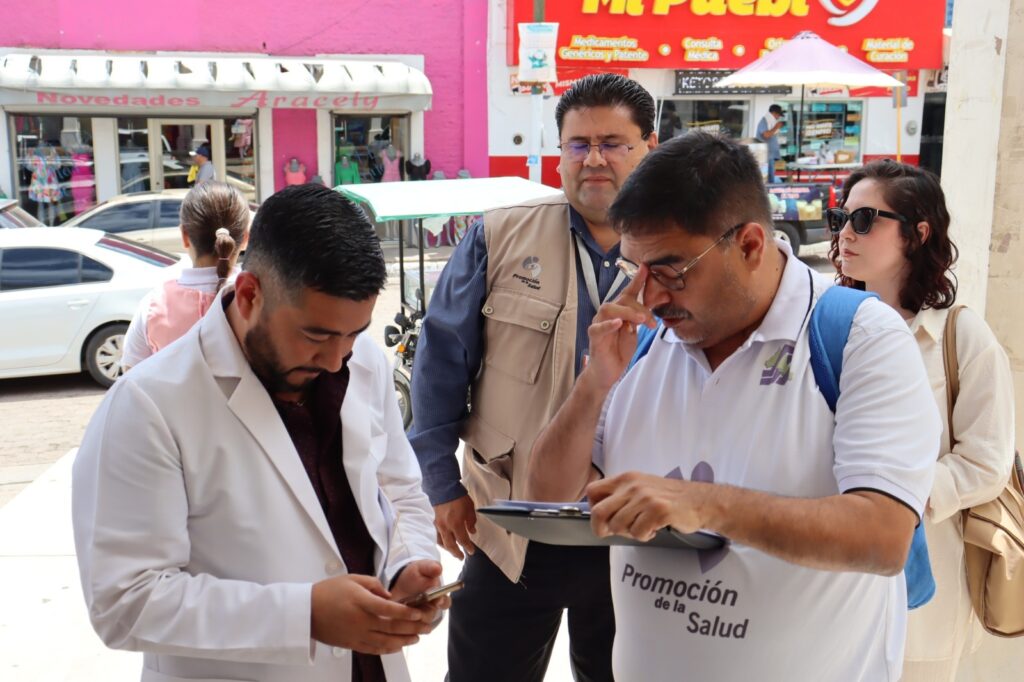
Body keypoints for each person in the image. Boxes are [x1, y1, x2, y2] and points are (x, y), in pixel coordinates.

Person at [528, 131, 941, 681]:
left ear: (749, 244)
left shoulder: (859, 337)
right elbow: (549, 496)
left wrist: (703, 505)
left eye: (671, 271)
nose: (648, 296)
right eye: (635, 270)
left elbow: (884, 536)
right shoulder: (643, 344)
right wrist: (593, 384)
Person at [72, 184, 445, 682]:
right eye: (315, 335)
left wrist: (408, 562)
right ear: (249, 294)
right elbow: (124, 601)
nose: (337, 360)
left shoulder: (364, 362)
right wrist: (303, 615)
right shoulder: (149, 405)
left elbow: (397, 487)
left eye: (353, 334)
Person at [408, 73, 658, 682]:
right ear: (559, 152)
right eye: (578, 144)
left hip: (635, 528)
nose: (593, 158)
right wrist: (442, 487)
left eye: (613, 143)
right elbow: (440, 366)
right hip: (511, 519)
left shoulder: (679, 249)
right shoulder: (498, 235)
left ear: (650, 146)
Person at [829, 160, 1015, 682]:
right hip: (831, 569)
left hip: (925, 579)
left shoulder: (960, 336)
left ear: (918, 233)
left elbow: (986, 462)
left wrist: (889, 496)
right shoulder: (828, 323)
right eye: (840, 218)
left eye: (864, 219)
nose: (845, 233)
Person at [122, 181, 250, 370]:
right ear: (245, 238)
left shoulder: (153, 305)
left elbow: (131, 377)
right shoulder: (261, 299)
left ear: (184, 236)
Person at [755, 103, 784, 183]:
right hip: (765, 156)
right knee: (768, 178)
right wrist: (776, 127)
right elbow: (766, 135)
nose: (778, 118)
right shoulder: (764, 121)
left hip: (770, 155)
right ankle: (769, 193)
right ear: (774, 113)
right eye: (778, 115)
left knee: (770, 177)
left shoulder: (770, 122)